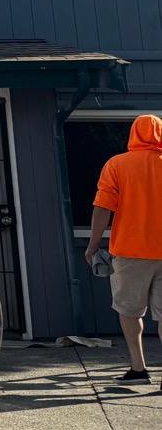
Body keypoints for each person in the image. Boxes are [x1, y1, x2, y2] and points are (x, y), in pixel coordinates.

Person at [85, 115, 162, 386]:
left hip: (130, 252)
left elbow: (102, 207)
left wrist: (93, 244)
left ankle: (138, 369)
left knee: (130, 312)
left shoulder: (117, 165)